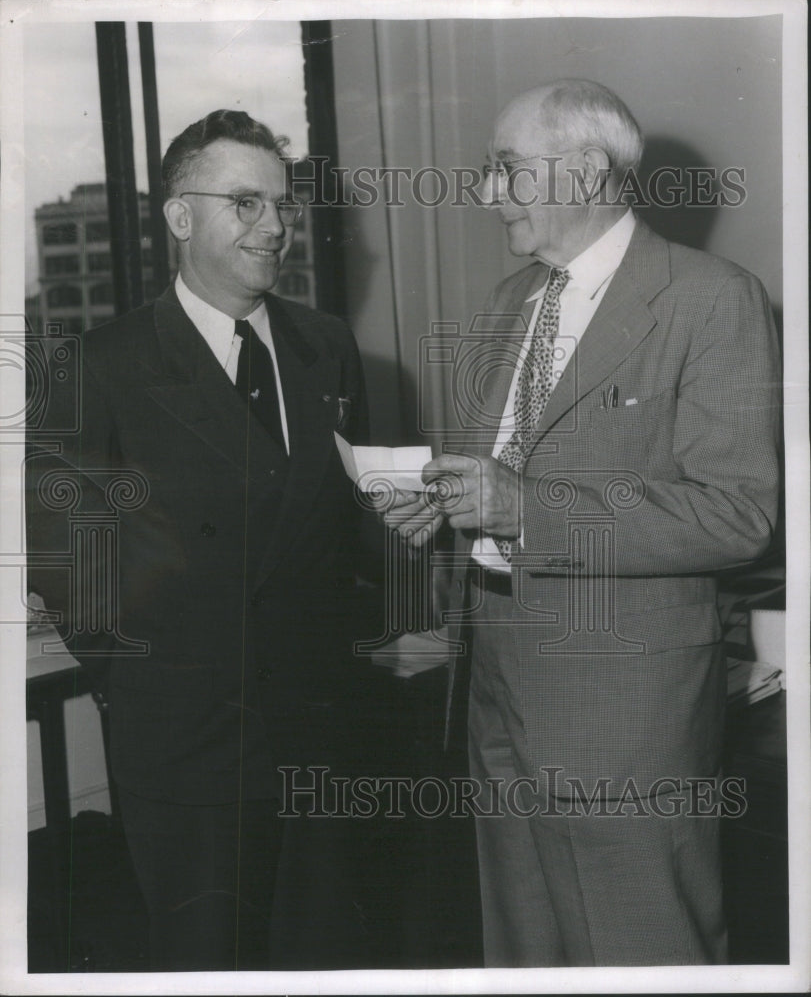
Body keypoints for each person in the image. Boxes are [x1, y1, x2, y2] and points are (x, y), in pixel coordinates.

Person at [386, 79, 781, 966]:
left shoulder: (710, 298)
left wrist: (524, 508)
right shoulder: (505, 303)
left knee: (643, 943)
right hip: (494, 675)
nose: (487, 194)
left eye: (507, 171)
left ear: (589, 170)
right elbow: (500, 474)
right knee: (525, 945)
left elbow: (737, 513)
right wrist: (443, 504)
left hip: (623, 702)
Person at [26, 109, 370, 970]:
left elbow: (344, 529)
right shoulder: (97, 365)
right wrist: (143, 692)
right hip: (183, 749)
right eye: (244, 204)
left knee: (322, 957)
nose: (276, 228)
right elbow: (69, 566)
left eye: (282, 206)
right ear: (180, 217)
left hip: (319, 734)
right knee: (206, 963)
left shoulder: (326, 346)